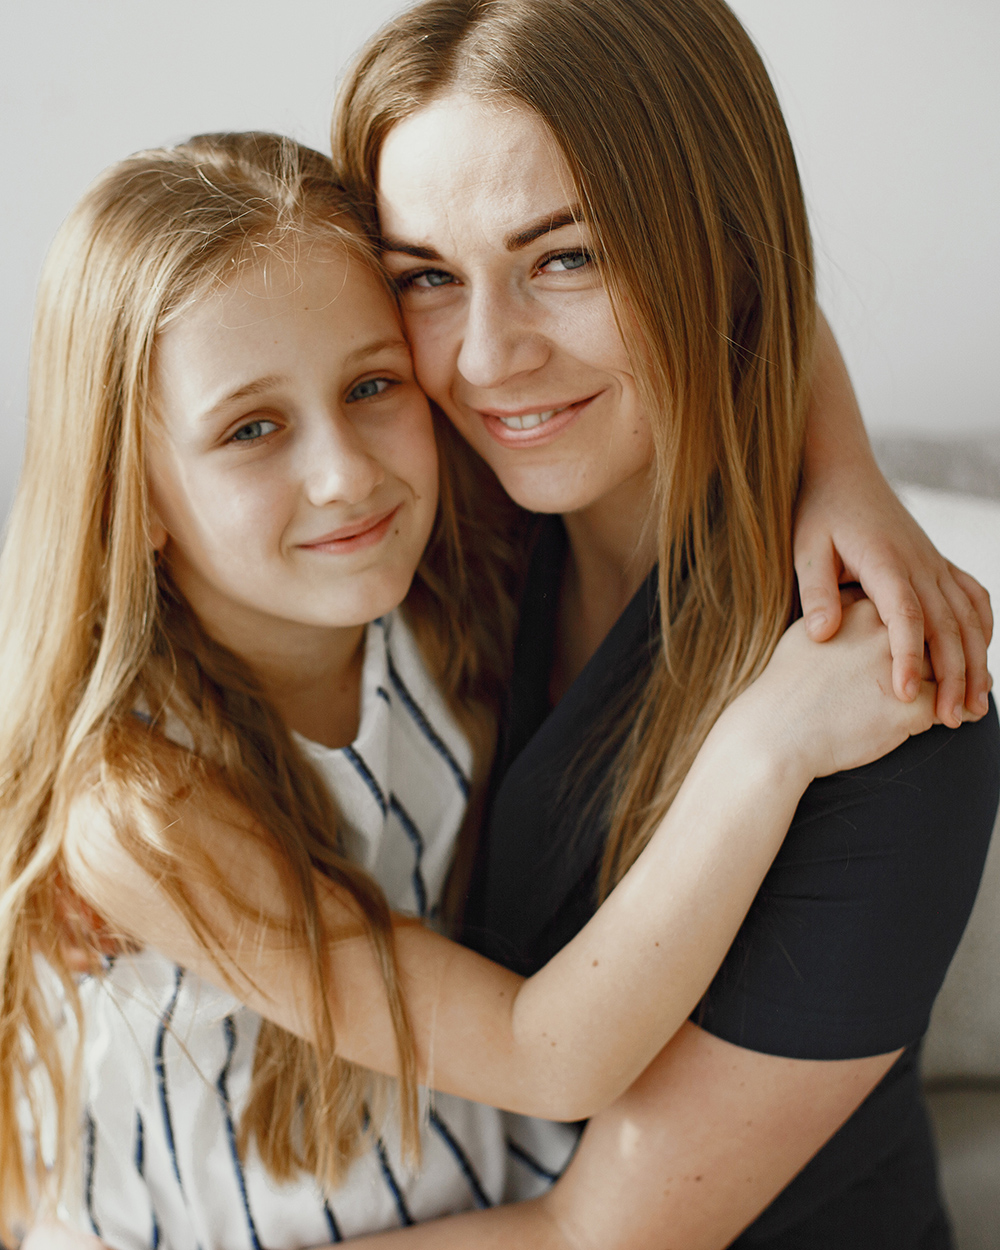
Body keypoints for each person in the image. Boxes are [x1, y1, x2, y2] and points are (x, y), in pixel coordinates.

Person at [0, 131, 946, 1249]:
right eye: (251, 428)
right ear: (133, 497)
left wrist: (847, 472)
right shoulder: (145, 809)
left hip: (453, 1189)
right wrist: (766, 747)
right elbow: (549, 1057)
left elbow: (725, 309)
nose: (344, 471)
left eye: (372, 384)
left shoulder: (441, 578)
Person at [323, 0, 1000, 1244]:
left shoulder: (885, 698)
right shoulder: (421, 523)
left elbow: (598, 1235)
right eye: (427, 276)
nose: (486, 358)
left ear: (723, 249)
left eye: (564, 258)